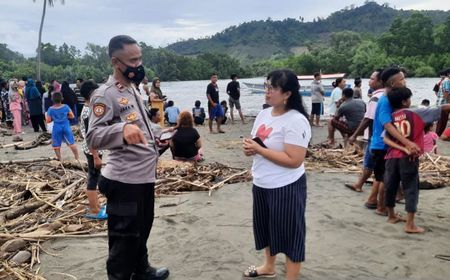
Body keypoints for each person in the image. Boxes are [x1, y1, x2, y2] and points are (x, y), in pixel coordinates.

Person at [86, 35, 169, 280]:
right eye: (133, 60)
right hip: (123, 181)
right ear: (116, 62)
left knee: (142, 229)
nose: (138, 64)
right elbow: (93, 136)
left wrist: (162, 134)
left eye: (140, 58)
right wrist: (120, 130)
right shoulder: (106, 94)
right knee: (123, 239)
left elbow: (139, 127)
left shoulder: (132, 90)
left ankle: (141, 270)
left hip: (143, 177)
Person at [242, 69, 311, 280]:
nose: (267, 92)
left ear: (287, 94)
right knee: (266, 228)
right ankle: (268, 266)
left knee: (291, 234)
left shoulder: (296, 120)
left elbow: (294, 160)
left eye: (272, 88)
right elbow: (259, 143)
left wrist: (260, 150)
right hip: (262, 182)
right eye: (266, 87)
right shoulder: (264, 114)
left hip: (286, 185)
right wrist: (250, 148)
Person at [383, 87, 450, 233]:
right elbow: (443, 108)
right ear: (405, 101)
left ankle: (391, 215)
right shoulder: (416, 113)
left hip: (391, 157)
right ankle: (410, 224)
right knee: (411, 188)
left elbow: (385, 139)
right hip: (409, 158)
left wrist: (401, 148)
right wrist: (407, 148)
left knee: (391, 186)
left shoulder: (391, 118)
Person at [369, 67, 421, 216]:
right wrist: (407, 142)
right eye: (402, 80)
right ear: (392, 84)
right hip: (382, 145)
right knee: (386, 179)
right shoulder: (385, 101)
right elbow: (387, 125)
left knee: (383, 178)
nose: (405, 82)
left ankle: (377, 203)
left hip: (381, 144)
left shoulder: (389, 98)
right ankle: (381, 208)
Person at [346, 69, 384, 193]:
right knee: (379, 165)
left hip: (374, 135)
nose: (369, 81)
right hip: (383, 135)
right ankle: (359, 184)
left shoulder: (376, 98)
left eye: (372, 79)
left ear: (380, 81)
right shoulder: (386, 95)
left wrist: (355, 135)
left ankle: (359, 185)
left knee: (370, 163)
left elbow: (368, 119)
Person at [79, 80, 107, 219]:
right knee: (93, 177)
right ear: (91, 94)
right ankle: (95, 210)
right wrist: (95, 155)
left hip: (95, 148)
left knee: (95, 175)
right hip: (92, 149)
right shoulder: (87, 112)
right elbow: (89, 135)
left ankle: (96, 206)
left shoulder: (91, 108)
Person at [45, 91, 79, 161]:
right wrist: (65, 117)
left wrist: (54, 119)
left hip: (57, 127)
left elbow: (48, 120)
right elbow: (72, 116)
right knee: (71, 143)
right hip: (66, 126)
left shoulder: (50, 109)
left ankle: (60, 159)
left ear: (52, 99)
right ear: (62, 98)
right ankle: (77, 157)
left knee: (56, 145)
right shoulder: (66, 106)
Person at [436, 68, 450, 136]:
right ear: (448, 74)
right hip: (444, 104)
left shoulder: (445, 81)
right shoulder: (447, 81)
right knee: (442, 121)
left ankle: (437, 135)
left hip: (442, 103)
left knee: (442, 121)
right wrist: (448, 104)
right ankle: (437, 135)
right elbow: (446, 94)